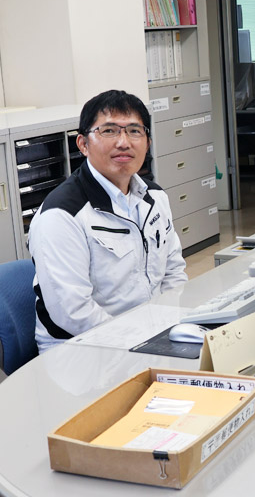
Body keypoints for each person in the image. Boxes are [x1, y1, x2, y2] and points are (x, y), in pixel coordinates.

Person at [28, 90, 187, 352]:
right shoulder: (61, 215)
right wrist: (139, 342)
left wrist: (172, 326)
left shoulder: (155, 197)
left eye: (134, 131)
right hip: (80, 348)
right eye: (109, 131)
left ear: (147, 142)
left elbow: (174, 272)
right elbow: (73, 313)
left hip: (149, 335)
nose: (123, 142)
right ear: (83, 144)